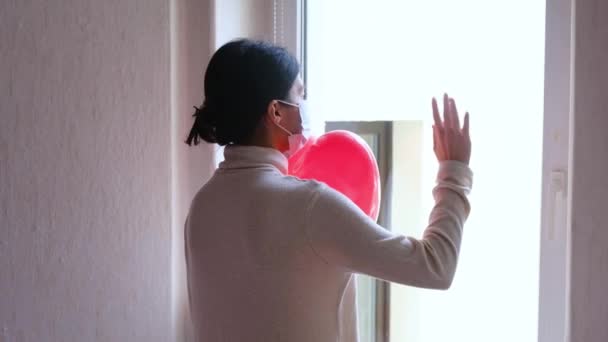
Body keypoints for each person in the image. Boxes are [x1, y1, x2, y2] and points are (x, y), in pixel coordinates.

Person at [184, 38, 472, 342]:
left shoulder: (202, 206)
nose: (305, 109)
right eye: (300, 96)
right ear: (276, 112)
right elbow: (435, 266)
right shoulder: (310, 206)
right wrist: (453, 172)